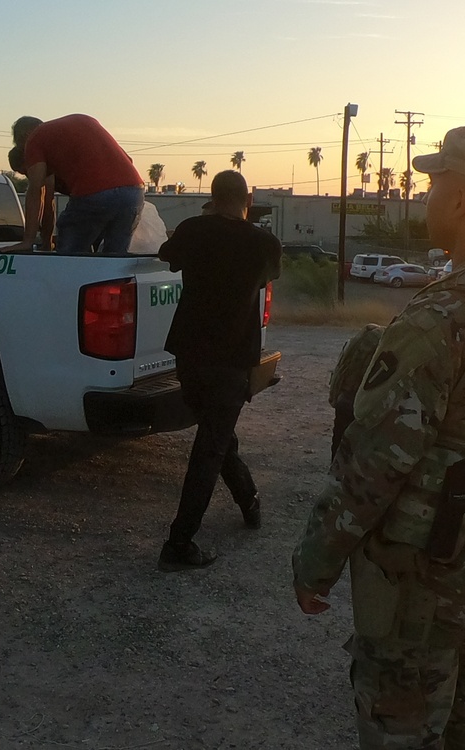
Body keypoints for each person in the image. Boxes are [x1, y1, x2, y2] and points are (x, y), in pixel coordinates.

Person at [292, 125, 465, 748]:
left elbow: (372, 466)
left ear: (461, 200)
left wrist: (315, 564)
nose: (426, 199)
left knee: (403, 722)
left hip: (427, 582)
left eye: (433, 184)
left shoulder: (444, 317)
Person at [157, 170, 282, 571]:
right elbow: (266, 275)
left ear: (211, 198)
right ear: (247, 199)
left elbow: (166, 255)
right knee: (210, 448)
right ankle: (178, 544)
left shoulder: (193, 229)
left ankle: (249, 500)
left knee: (216, 436)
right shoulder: (264, 242)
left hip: (189, 355)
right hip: (232, 358)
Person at [10, 114, 144, 255]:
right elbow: (128, 159)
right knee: (114, 257)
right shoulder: (82, 121)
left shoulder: (34, 138)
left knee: (70, 250)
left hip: (95, 192)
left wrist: (28, 241)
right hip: (134, 191)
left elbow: (36, 189)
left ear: (25, 136)